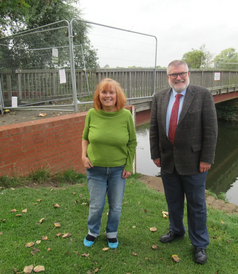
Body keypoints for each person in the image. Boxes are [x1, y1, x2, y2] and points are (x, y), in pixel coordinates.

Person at [149, 60, 218, 264]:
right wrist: (155, 154)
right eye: (174, 75)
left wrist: (207, 158)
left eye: (182, 73)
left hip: (195, 162)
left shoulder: (203, 94)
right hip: (168, 161)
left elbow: (211, 130)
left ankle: (199, 244)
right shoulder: (160, 97)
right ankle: (177, 231)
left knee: (196, 205)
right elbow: (154, 129)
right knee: (173, 201)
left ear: (188, 73)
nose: (178, 78)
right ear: (167, 77)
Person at [81, 78, 137, 249]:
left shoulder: (126, 115)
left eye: (111, 92)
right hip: (95, 169)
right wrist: (83, 156)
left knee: (116, 206)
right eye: (104, 92)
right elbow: (85, 137)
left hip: (118, 170)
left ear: (117, 95)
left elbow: (132, 142)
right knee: (96, 205)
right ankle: (93, 231)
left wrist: (128, 165)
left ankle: (111, 232)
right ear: (99, 95)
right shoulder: (92, 114)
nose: (107, 96)